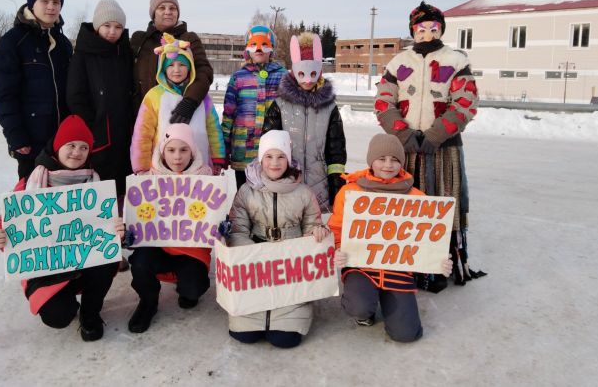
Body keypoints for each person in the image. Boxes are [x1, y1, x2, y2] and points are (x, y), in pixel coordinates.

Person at [373, 1, 485, 291]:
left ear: (441, 29)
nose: (427, 33)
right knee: (409, 207)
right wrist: (404, 134)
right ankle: (406, 266)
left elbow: (465, 102)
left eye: (433, 28)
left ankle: (439, 266)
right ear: (413, 30)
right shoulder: (399, 62)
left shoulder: (456, 60)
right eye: (421, 29)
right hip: (407, 147)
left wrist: (435, 134)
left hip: (443, 146)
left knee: (441, 206)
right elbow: (384, 102)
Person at [0, 115, 123, 342]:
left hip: (84, 261)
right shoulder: (30, 182)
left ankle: (90, 314)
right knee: (58, 316)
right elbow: (7, 224)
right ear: (57, 146)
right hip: (47, 267)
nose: (77, 152)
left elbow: (106, 228)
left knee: (108, 259)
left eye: (84, 147)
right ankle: (64, 301)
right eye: (70, 145)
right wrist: (2, 237)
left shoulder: (96, 184)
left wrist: (117, 231)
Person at [327, 133, 453, 342]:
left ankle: (389, 301)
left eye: (394, 159)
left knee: (406, 334)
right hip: (362, 266)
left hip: (397, 267)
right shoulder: (351, 191)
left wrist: (438, 260)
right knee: (359, 306)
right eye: (382, 159)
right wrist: (339, 248)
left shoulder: (415, 197)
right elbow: (337, 227)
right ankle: (365, 310)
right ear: (371, 161)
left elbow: (427, 237)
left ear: (401, 163)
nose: (388, 165)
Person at [226, 130, 329, 348]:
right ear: (261, 159)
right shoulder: (246, 191)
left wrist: (317, 232)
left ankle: (287, 314)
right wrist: (254, 254)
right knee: (245, 335)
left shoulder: (303, 192)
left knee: (284, 339)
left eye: (281, 156)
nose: (275, 163)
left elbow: (312, 225)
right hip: (255, 261)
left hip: (290, 264)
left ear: (289, 160)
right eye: (269, 157)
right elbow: (238, 229)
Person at [126, 123, 214, 333]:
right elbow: (135, 217)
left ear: (192, 152)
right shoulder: (146, 180)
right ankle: (148, 301)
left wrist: (222, 226)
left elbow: (216, 216)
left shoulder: (207, 179)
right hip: (157, 248)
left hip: (191, 251)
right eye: (171, 150)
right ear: (162, 150)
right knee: (139, 262)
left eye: (184, 150)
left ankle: (187, 289)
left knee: (193, 289)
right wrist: (128, 231)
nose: (177, 157)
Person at [0, 0, 72, 179]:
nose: (51, 7)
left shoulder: (63, 43)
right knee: (33, 196)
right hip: (31, 139)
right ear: (32, 3)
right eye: (45, 1)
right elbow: (5, 95)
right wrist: (16, 136)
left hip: (62, 140)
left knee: (62, 201)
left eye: (56, 3)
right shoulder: (14, 41)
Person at [263, 32, 346, 213]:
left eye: (312, 73)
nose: (307, 80)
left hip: (320, 188)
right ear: (294, 70)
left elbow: (336, 151)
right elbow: (268, 148)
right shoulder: (280, 105)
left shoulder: (329, 107)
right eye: (302, 73)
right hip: (288, 186)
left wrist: (336, 185)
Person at [66, 0, 134, 197]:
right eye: (107, 26)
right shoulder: (84, 54)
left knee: (125, 188)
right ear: (97, 26)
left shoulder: (125, 52)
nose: (112, 31)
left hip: (124, 133)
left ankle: (123, 224)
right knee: (102, 189)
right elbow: (75, 95)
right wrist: (92, 125)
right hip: (99, 135)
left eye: (118, 27)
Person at [130, 33, 225, 174]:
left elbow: (213, 129)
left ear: (190, 67)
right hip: (163, 168)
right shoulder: (154, 96)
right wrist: (141, 165)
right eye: (171, 65)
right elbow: (143, 133)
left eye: (182, 64)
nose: (176, 70)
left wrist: (218, 158)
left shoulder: (202, 97)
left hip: (199, 167)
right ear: (163, 69)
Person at [130, 0, 213, 124]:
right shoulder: (139, 40)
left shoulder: (189, 38)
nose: (168, 12)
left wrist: (189, 102)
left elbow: (204, 71)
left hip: (177, 116)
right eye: (162, 8)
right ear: (153, 13)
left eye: (172, 8)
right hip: (142, 116)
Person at [221, 25, 287, 189]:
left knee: (270, 193)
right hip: (243, 149)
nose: (259, 49)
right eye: (254, 45)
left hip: (273, 152)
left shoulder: (283, 76)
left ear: (271, 49)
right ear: (247, 49)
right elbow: (229, 114)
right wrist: (224, 148)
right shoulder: (238, 77)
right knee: (244, 193)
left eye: (264, 45)